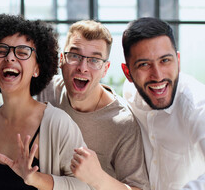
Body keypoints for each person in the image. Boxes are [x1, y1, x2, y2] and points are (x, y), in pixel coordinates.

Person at [0, 14, 92, 190]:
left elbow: (86, 185)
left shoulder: (57, 123)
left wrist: (36, 179)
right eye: (1, 51)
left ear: (37, 68)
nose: (10, 58)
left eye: (22, 52)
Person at [37, 20, 149, 190]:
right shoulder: (46, 92)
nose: (83, 68)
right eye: (74, 56)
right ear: (61, 60)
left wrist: (98, 178)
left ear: (105, 69)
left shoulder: (123, 123)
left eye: (94, 60)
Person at [121, 17, 205, 189]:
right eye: (144, 64)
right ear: (128, 72)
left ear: (178, 62)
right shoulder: (130, 93)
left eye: (165, 60)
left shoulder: (198, 104)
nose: (157, 75)